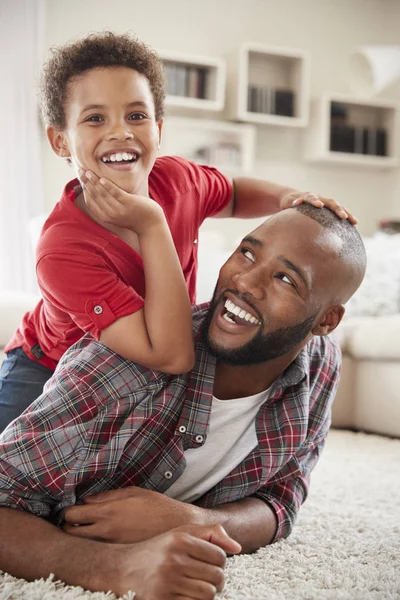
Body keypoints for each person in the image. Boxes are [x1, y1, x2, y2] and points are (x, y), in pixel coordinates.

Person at [0, 204, 366, 600]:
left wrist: (190, 519)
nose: (245, 281)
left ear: (325, 321)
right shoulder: (123, 369)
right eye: (247, 252)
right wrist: (118, 567)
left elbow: (281, 499)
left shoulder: (320, 364)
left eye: (285, 278)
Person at [0, 31, 357, 432]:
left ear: (158, 128)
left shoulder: (179, 181)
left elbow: (234, 193)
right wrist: (152, 223)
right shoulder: (63, 249)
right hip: (46, 367)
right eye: (95, 118)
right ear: (60, 140)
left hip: (141, 362)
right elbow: (171, 355)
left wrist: (287, 197)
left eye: (136, 115)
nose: (121, 132)